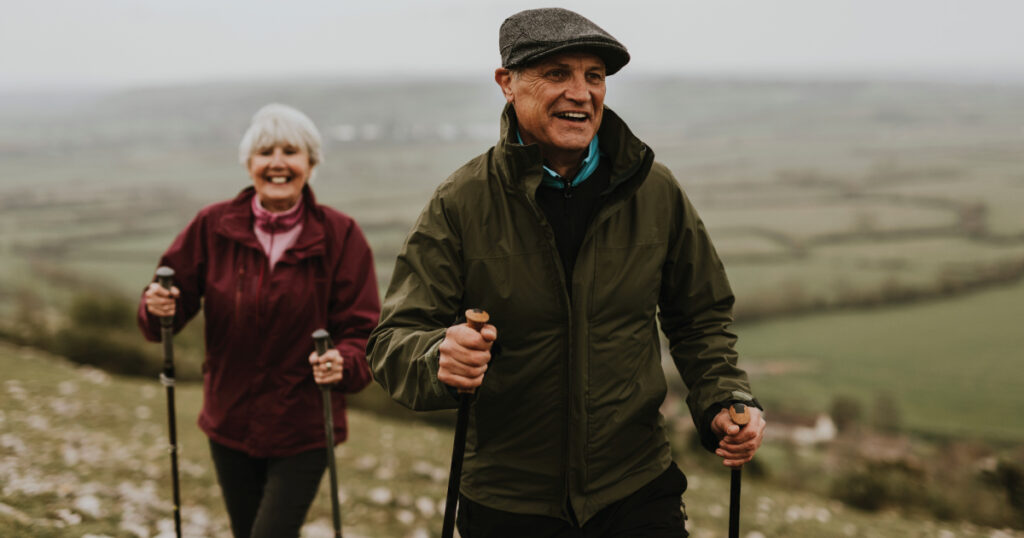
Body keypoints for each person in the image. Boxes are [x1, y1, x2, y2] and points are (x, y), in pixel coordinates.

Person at [367, 8, 767, 537]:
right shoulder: (459, 203)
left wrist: (724, 398)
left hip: (637, 488)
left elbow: (701, 318)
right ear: (506, 83)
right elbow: (392, 340)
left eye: (594, 76)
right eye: (557, 73)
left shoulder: (656, 192)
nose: (581, 93)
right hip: (509, 502)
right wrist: (438, 356)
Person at [137, 103, 380, 538]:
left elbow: (362, 333)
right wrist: (158, 306)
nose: (278, 163)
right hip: (230, 421)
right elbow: (164, 313)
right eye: (266, 152)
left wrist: (343, 361)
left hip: (304, 426)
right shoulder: (212, 227)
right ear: (249, 164)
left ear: (311, 163)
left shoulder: (341, 236)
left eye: (292, 151)